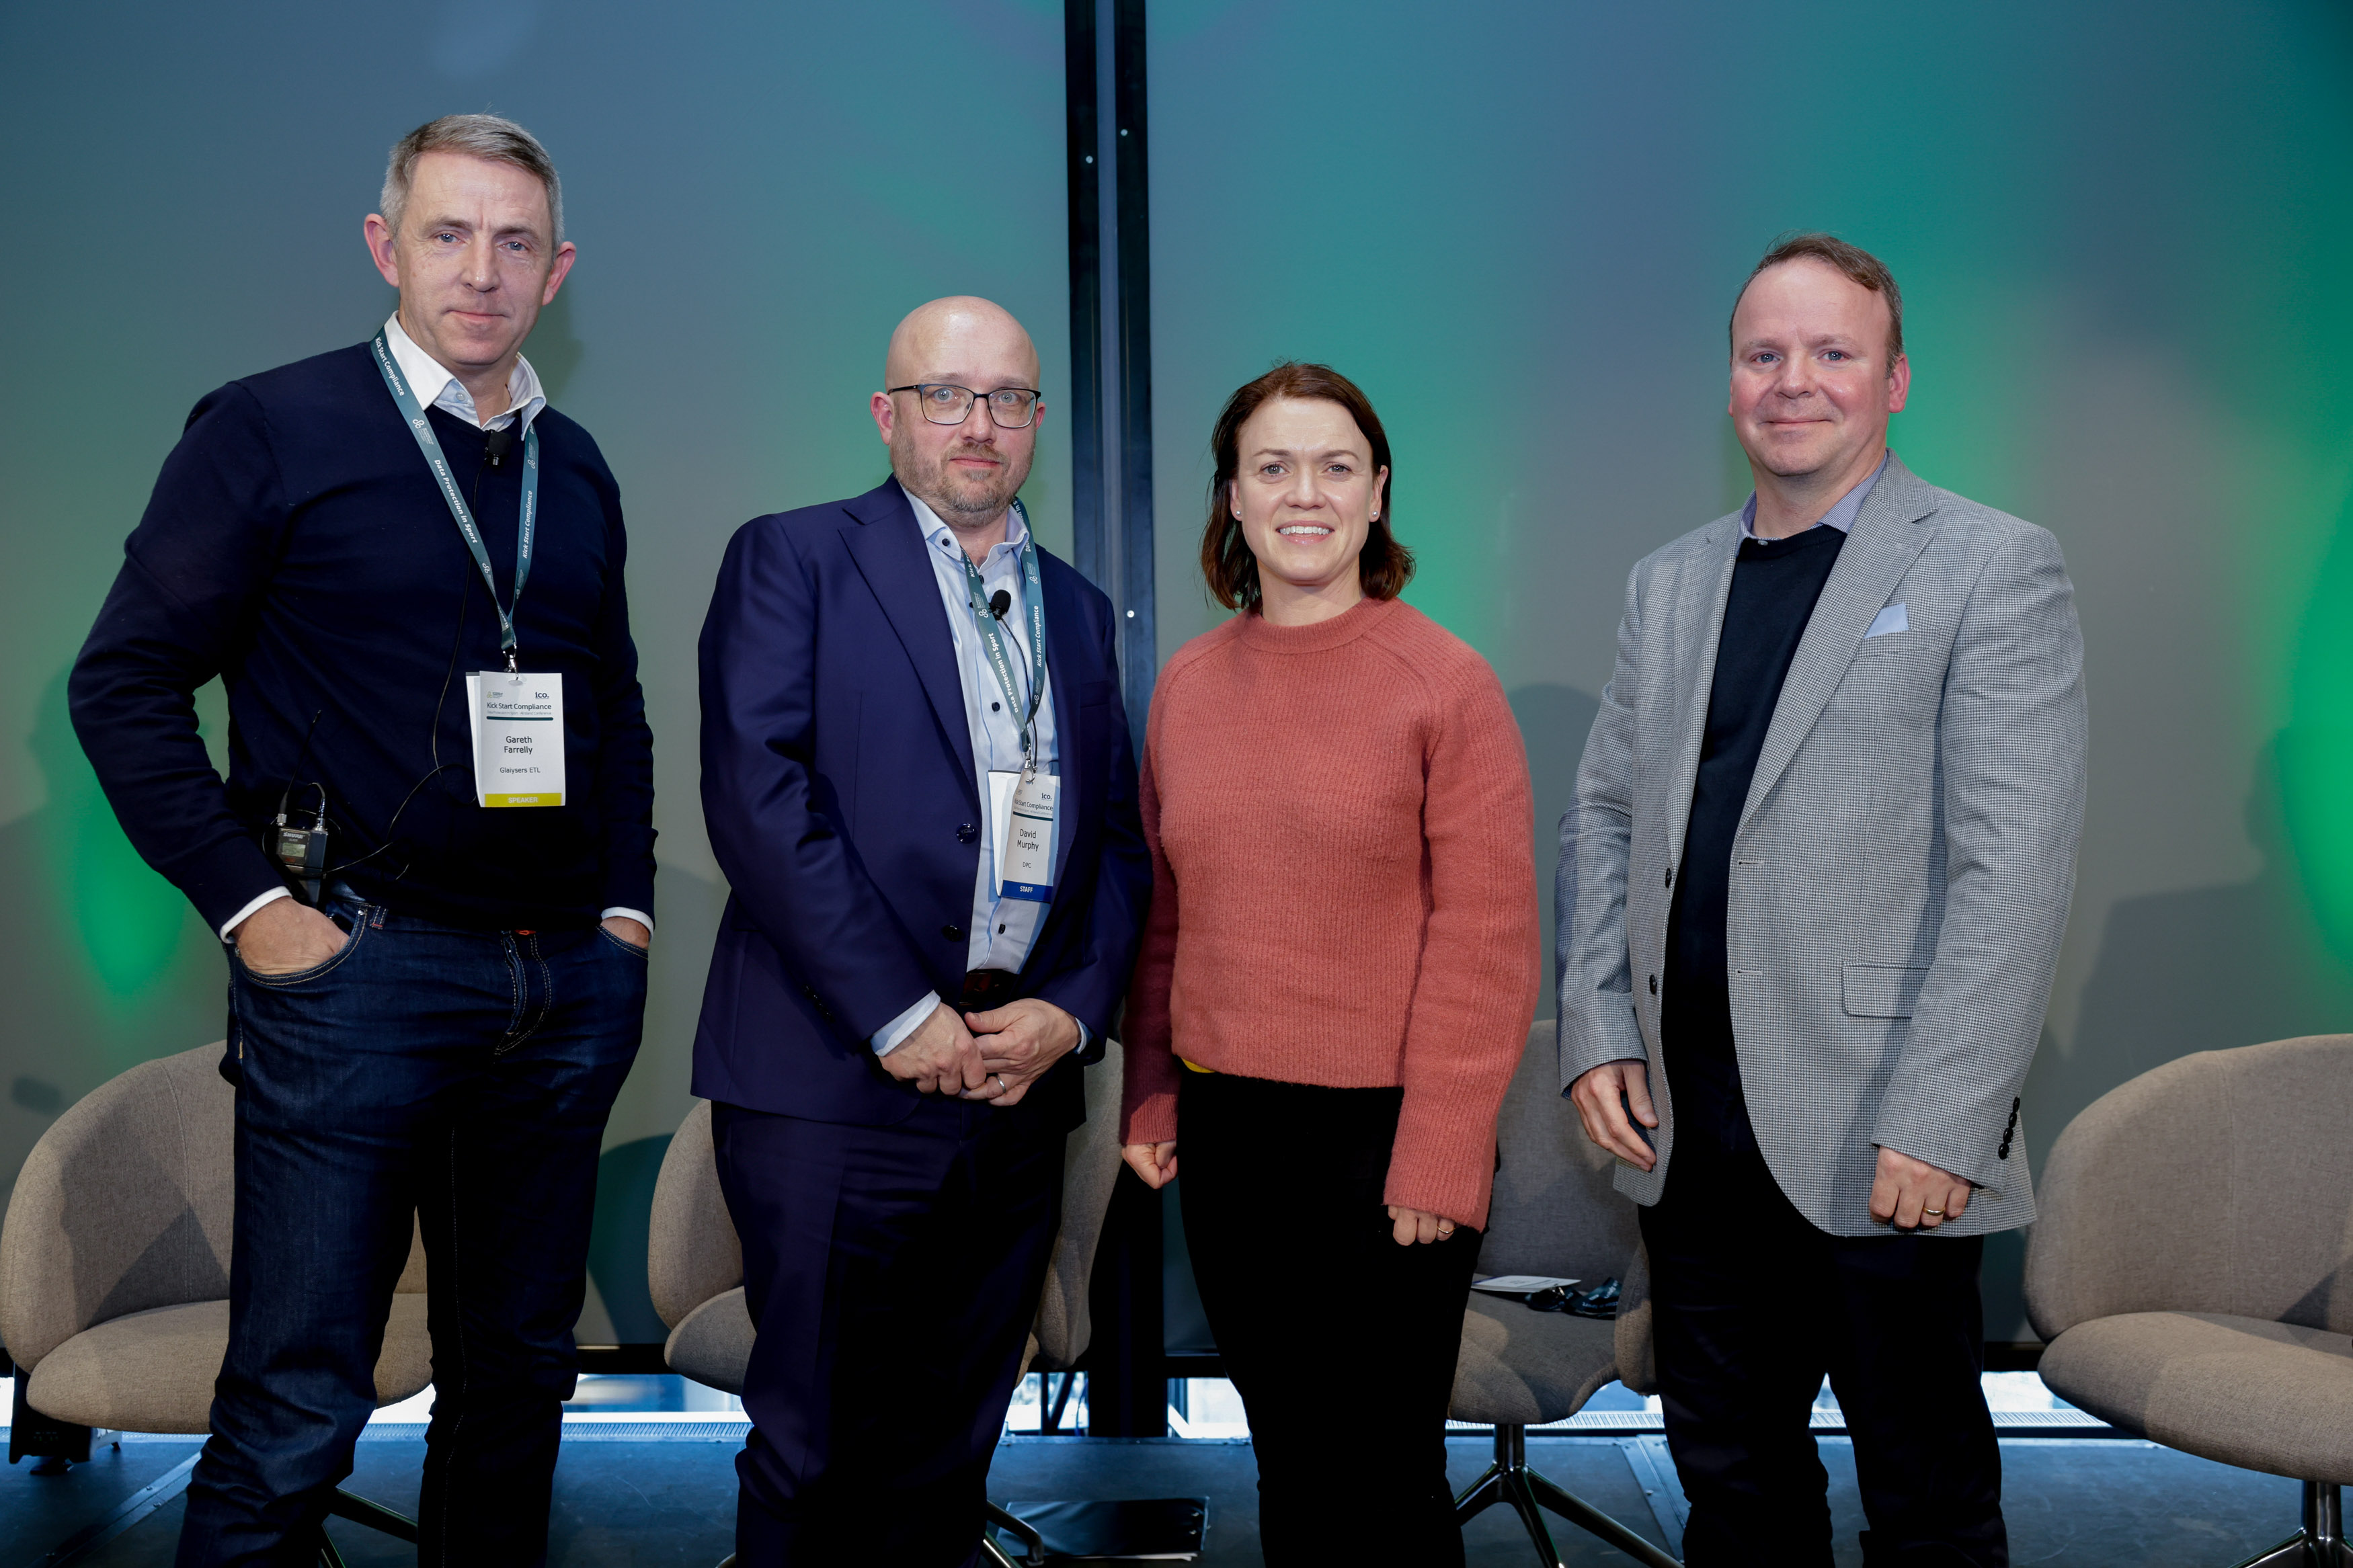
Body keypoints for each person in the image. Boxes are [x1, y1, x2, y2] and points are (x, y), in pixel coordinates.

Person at [67, 115, 655, 1563]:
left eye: (516, 242)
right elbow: (123, 683)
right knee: (294, 1412)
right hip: (358, 978)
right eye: (447, 234)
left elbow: (614, 710)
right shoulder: (270, 428)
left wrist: (625, 916)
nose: (482, 270)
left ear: (558, 270)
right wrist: (254, 912)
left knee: (519, 1382)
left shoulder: (573, 467)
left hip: (555, 989)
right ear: (384, 246)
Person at [1559, 233, 2087, 1566]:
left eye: (1832, 354)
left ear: (1894, 379)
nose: (1795, 381)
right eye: (1764, 355)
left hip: (1884, 1141)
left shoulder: (1989, 565)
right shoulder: (1667, 582)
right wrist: (1599, 1031)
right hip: (1689, 1145)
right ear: (1731, 380)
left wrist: (1945, 1117)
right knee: (1733, 1493)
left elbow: (2009, 867)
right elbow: (1606, 819)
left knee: (1925, 1505)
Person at [694, 296, 1150, 1565]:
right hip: (835, 1081)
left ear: (1038, 422)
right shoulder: (794, 558)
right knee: (813, 1442)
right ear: (887, 414)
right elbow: (758, 797)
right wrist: (903, 1016)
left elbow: (1117, 838)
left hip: (1012, 1089)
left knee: (951, 1444)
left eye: (1008, 397)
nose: (979, 422)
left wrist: (1075, 1008)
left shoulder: (1075, 605)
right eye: (945, 393)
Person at [1119, 362, 1540, 1567]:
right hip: (1232, 1134)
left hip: (1390, 1143)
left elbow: (1488, 937)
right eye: (1273, 467)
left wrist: (1443, 1149)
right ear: (1234, 499)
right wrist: (1153, 1083)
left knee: (1384, 1478)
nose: (1306, 493)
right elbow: (1165, 915)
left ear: (1377, 493)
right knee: (1293, 1461)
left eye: (1335, 466)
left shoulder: (1444, 683)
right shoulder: (1187, 688)